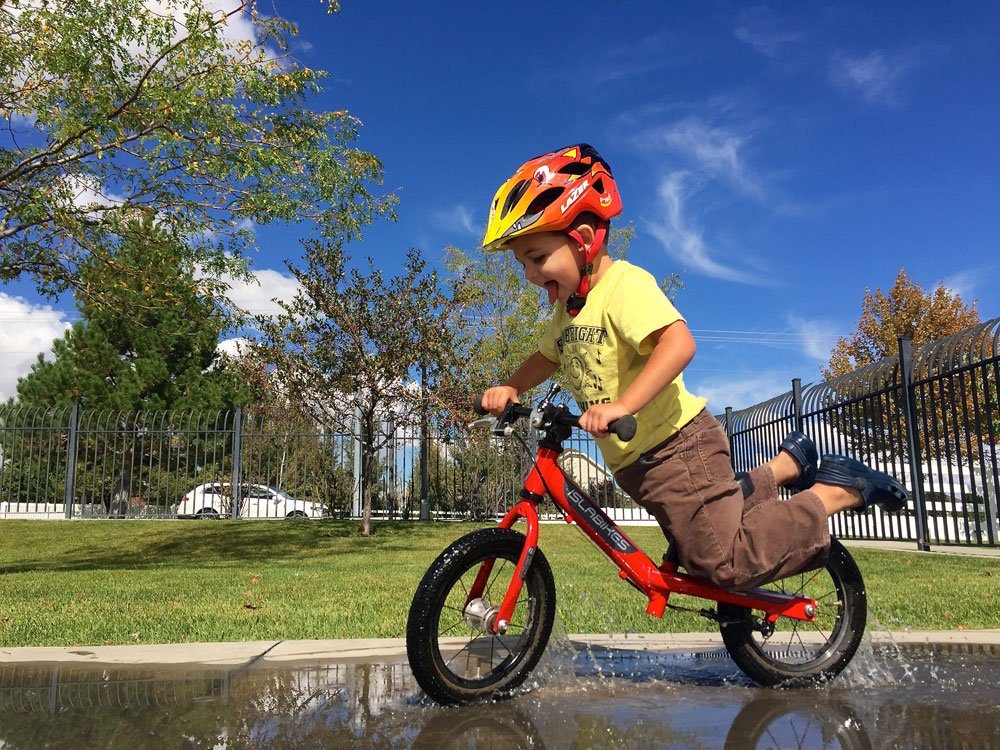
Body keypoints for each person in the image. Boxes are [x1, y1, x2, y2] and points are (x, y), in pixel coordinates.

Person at [479, 144, 907, 590]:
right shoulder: (568, 311)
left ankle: (835, 491)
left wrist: (623, 404)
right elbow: (547, 356)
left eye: (537, 257)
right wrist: (510, 386)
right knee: (700, 535)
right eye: (521, 262)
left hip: (678, 448)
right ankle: (785, 466)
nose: (528, 272)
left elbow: (679, 344)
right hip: (638, 461)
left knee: (720, 561)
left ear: (584, 239)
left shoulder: (623, 286)